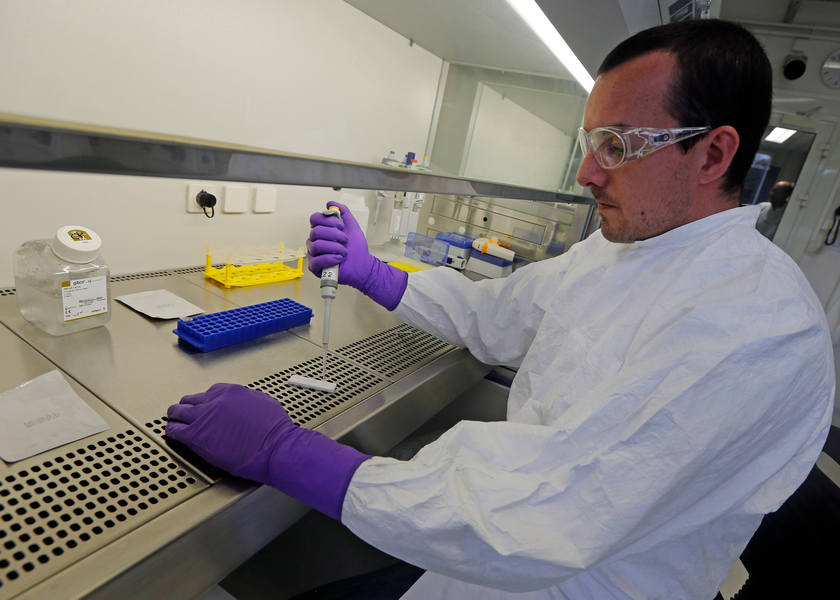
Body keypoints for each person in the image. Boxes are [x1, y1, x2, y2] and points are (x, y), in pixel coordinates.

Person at [166, 19, 835, 600]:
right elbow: (497, 314)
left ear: (713, 153)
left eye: (618, 145)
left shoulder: (756, 326)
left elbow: (545, 520)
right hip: (488, 568)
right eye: (590, 144)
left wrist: (287, 453)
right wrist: (377, 275)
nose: (588, 174)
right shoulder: (626, 251)